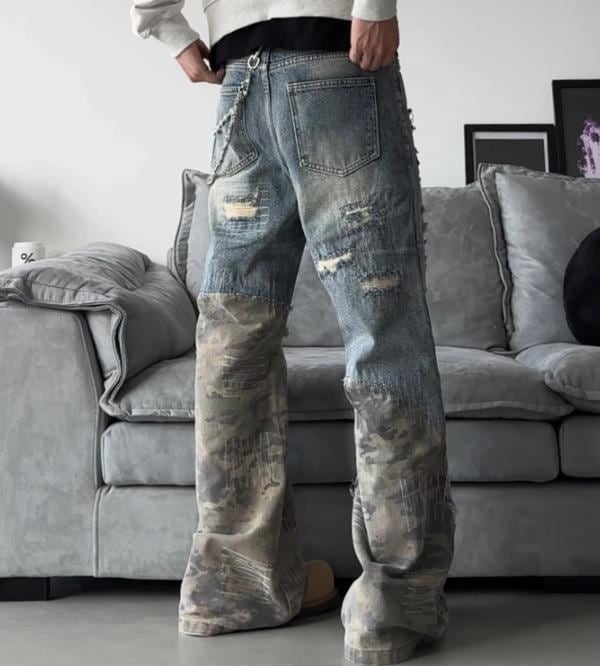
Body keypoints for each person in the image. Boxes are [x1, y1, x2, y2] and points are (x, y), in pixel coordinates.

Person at [129, 1, 457, 663]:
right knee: (382, 331)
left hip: (241, 81)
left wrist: (172, 31)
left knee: (234, 337)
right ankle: (393, 606)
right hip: (337, 63)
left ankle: (233, 585)